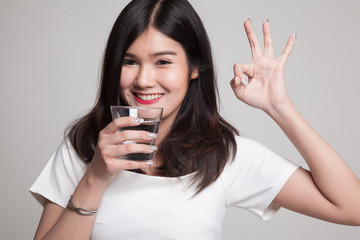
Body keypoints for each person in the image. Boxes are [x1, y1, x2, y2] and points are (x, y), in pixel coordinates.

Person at [29, 0, 360, 239]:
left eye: (162, 62)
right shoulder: (84, 147)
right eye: (129, 61)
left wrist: (279, 106)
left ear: (194, 68)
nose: (143, 79)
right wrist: (96, 177)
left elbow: (353, 208)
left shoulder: (224, 155)